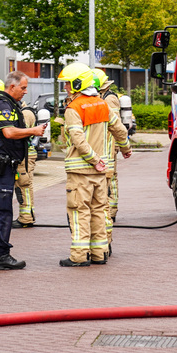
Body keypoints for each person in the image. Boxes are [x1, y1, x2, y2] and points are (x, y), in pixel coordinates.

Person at [58, 62, 131, 267]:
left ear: (78, 84)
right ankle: (100, 253)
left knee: (79, 212)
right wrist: (125, 148)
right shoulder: (102, 104)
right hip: (100, 173)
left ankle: (79, 256)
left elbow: (78, 140)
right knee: (99, 211)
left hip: (81, 171)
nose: (65, 87)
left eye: (68, 83)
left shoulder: (74, 108)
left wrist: (93, 160)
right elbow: (120, 130)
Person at [0, 72, 46, 270]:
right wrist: (33, 131)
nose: (25, 91)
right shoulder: (3, 105)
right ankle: (1, 256)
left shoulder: (7, 103)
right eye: (23, 88)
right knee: (2, 211)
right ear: (12, 87)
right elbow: (8, 132)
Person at [92, 68, 123, 244]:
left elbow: (114, 125)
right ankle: (110, 209)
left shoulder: (109, 98)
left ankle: (111, 209)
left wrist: (117, 146)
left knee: (110, 179)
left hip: (109, 147)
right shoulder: (103, 96)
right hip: (105, 146)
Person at [14, 100, 39, 228]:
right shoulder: (22, 112)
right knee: (23, 185)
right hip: (23, 154)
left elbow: (21, 133)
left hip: (25, 155)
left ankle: (26, 218)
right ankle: (26, 216)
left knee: (24, 185)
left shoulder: (26, 113)